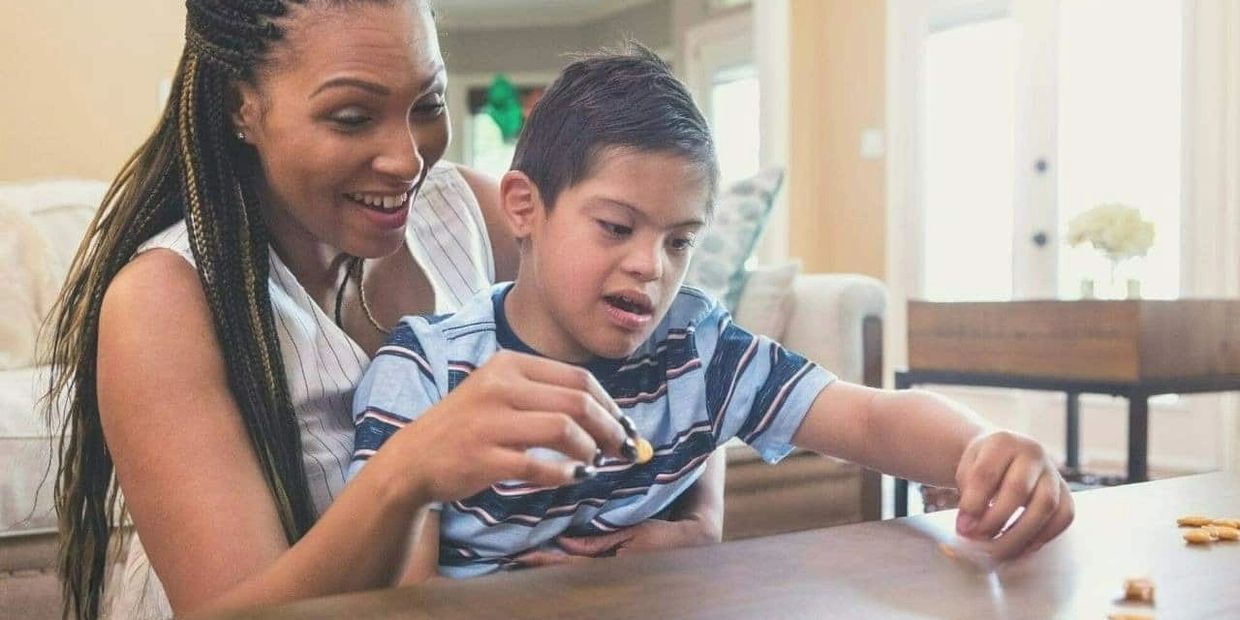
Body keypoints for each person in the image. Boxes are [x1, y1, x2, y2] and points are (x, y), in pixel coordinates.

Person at [44, 2, 724, 618]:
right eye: (352, 116)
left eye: (426, 104)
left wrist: (701, 514)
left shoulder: (470, 216)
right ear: (239, 107)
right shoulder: (164, 302)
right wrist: (406, 473)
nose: (407, 159)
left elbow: (685, 332)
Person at [349, 44, 1076, 580]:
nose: (650, 265)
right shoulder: (427, 368)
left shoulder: (696, 350)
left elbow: (868, 418)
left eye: (679, 240)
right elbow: (401, 594)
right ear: (525, 208)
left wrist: (985, 448)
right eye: (616, 227)